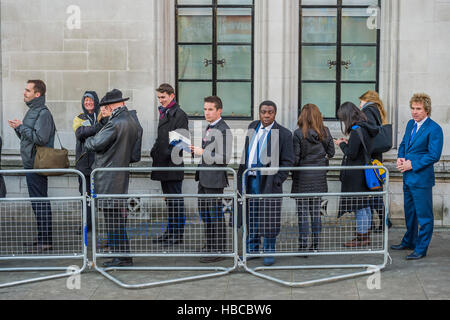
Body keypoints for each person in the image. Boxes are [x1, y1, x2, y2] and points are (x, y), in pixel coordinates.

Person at [85, 89, 139, 267]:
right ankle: (122, 256)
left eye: (104, 108)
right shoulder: (130, 120)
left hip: (109, 176)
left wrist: (88, 139)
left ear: (108, 106)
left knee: (114, 220)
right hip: (118, 173)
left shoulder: (115, 123)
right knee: (116, 220)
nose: (103, 111)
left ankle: (121, 257)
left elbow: (95, 143)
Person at [238, 101, 294, 266]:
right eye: (263, 112)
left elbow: (288, 161)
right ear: (259, 113)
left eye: (270, 112)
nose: (267, 115)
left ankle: (269, 251)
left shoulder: (284, 134)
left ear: (275, 113)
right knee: (251, 216)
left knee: (268, 218)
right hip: (249, 181)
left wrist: (277, 180)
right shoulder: (252, 126)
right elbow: (246, 153)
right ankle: (252, 250)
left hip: (269, 183)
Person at [391, 93, 443, 260]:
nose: (414, 112)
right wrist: (400, 156)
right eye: (412, 108)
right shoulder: (410, 125)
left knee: (424, 215)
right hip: (407, 177)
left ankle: (421, 248)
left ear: (426, 110)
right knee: (410, 213)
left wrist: (412, 164)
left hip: (421, 179)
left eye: (418, 109)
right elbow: (404, 144)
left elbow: (434, 155)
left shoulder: (435, 129)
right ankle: (409, 241)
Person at [8, 80, 56, 253]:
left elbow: (41, 138)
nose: (24, 92)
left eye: (28, 90)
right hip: (31, 163)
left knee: (40, 201)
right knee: (37, 202)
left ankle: (46, 241)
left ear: (38, 94)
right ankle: (43, 238)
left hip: (37, 164)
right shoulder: (33, 111)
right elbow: (29, 137)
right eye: (25, 89)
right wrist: (18, 128)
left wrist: (22, 127)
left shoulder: (42, 113)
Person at [190, 96, 232, 263]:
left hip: (214, 179)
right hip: (204, 177)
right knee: (205, 213)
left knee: (215, 216)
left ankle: (219, 249)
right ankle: (210, 244)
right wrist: (195, 150)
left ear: (219, 111)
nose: (206, 112)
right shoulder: (210, 127)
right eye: (205, 109)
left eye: (210, 109)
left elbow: (224, 158)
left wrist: (203, 153)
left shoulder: (223, 130)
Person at [335, 102, 379, 248]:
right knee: (364, 206)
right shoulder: (365, 127)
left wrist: (341, 144)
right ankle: (364, 235)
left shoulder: (356, 129)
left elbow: (351, 153)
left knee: (358, 207)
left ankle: (361, 238)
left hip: (356, 174)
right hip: (363, 173)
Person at [292, 104, 335, 253]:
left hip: (302, 177)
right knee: (316, 212)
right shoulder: (325, 132)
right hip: (319, 176)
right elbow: (331, 152)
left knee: (303, 213)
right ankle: (315, 245)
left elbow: (295, 159)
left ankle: (303, 245)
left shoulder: (298, 133)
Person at [151, 84, 189, 246]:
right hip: (162, 164)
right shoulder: (164, 113)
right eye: (159, 97)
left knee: (176, 201)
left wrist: (164, 153)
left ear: (172, 96)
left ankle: (177, 234)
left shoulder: (179, 114)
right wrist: (154, 151)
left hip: (172, 164)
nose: (161, 100)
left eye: (163, 97)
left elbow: (180, 141)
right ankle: (170, 232)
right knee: (170, 201)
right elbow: (160, 138)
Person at [359, 90, 392, 231]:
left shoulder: (369, 110)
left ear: (367, 100)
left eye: (361, 101)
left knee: (373, 192)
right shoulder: (377, 111)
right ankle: (376, 222)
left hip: (371, 158)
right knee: (374, 191)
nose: (359, 105)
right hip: (376, 158)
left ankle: (384, 222)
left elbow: (369, 134)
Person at [73, 91, 101, 232]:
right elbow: (79, 133)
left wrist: (91, 129)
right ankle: (87, 224)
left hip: (99, 164)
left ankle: (101, 225)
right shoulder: (79, 118)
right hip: (84, 164)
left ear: (96, 101)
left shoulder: (101, 116)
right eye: (86, 101)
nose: (88, 103)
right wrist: (96, 128)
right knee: (85, 196)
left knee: (99, 196)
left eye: (91, 100)